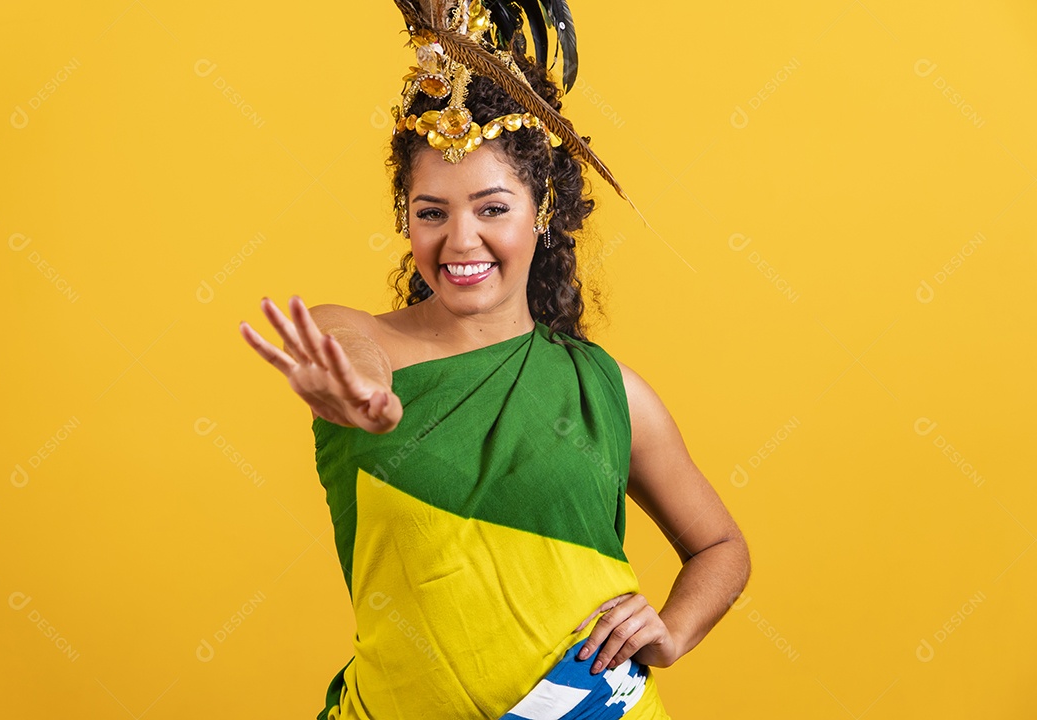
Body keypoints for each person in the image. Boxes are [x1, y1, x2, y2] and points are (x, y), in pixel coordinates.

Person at [239, 1, 751, 717]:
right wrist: (365, 393)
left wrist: (671, 630)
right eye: (432, 212)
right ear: (406, 219)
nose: (460, 240)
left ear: (541, 211)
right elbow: (348, 352)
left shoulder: (608, 391)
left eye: (491, 208)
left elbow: (721, 546)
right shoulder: (355, 337)